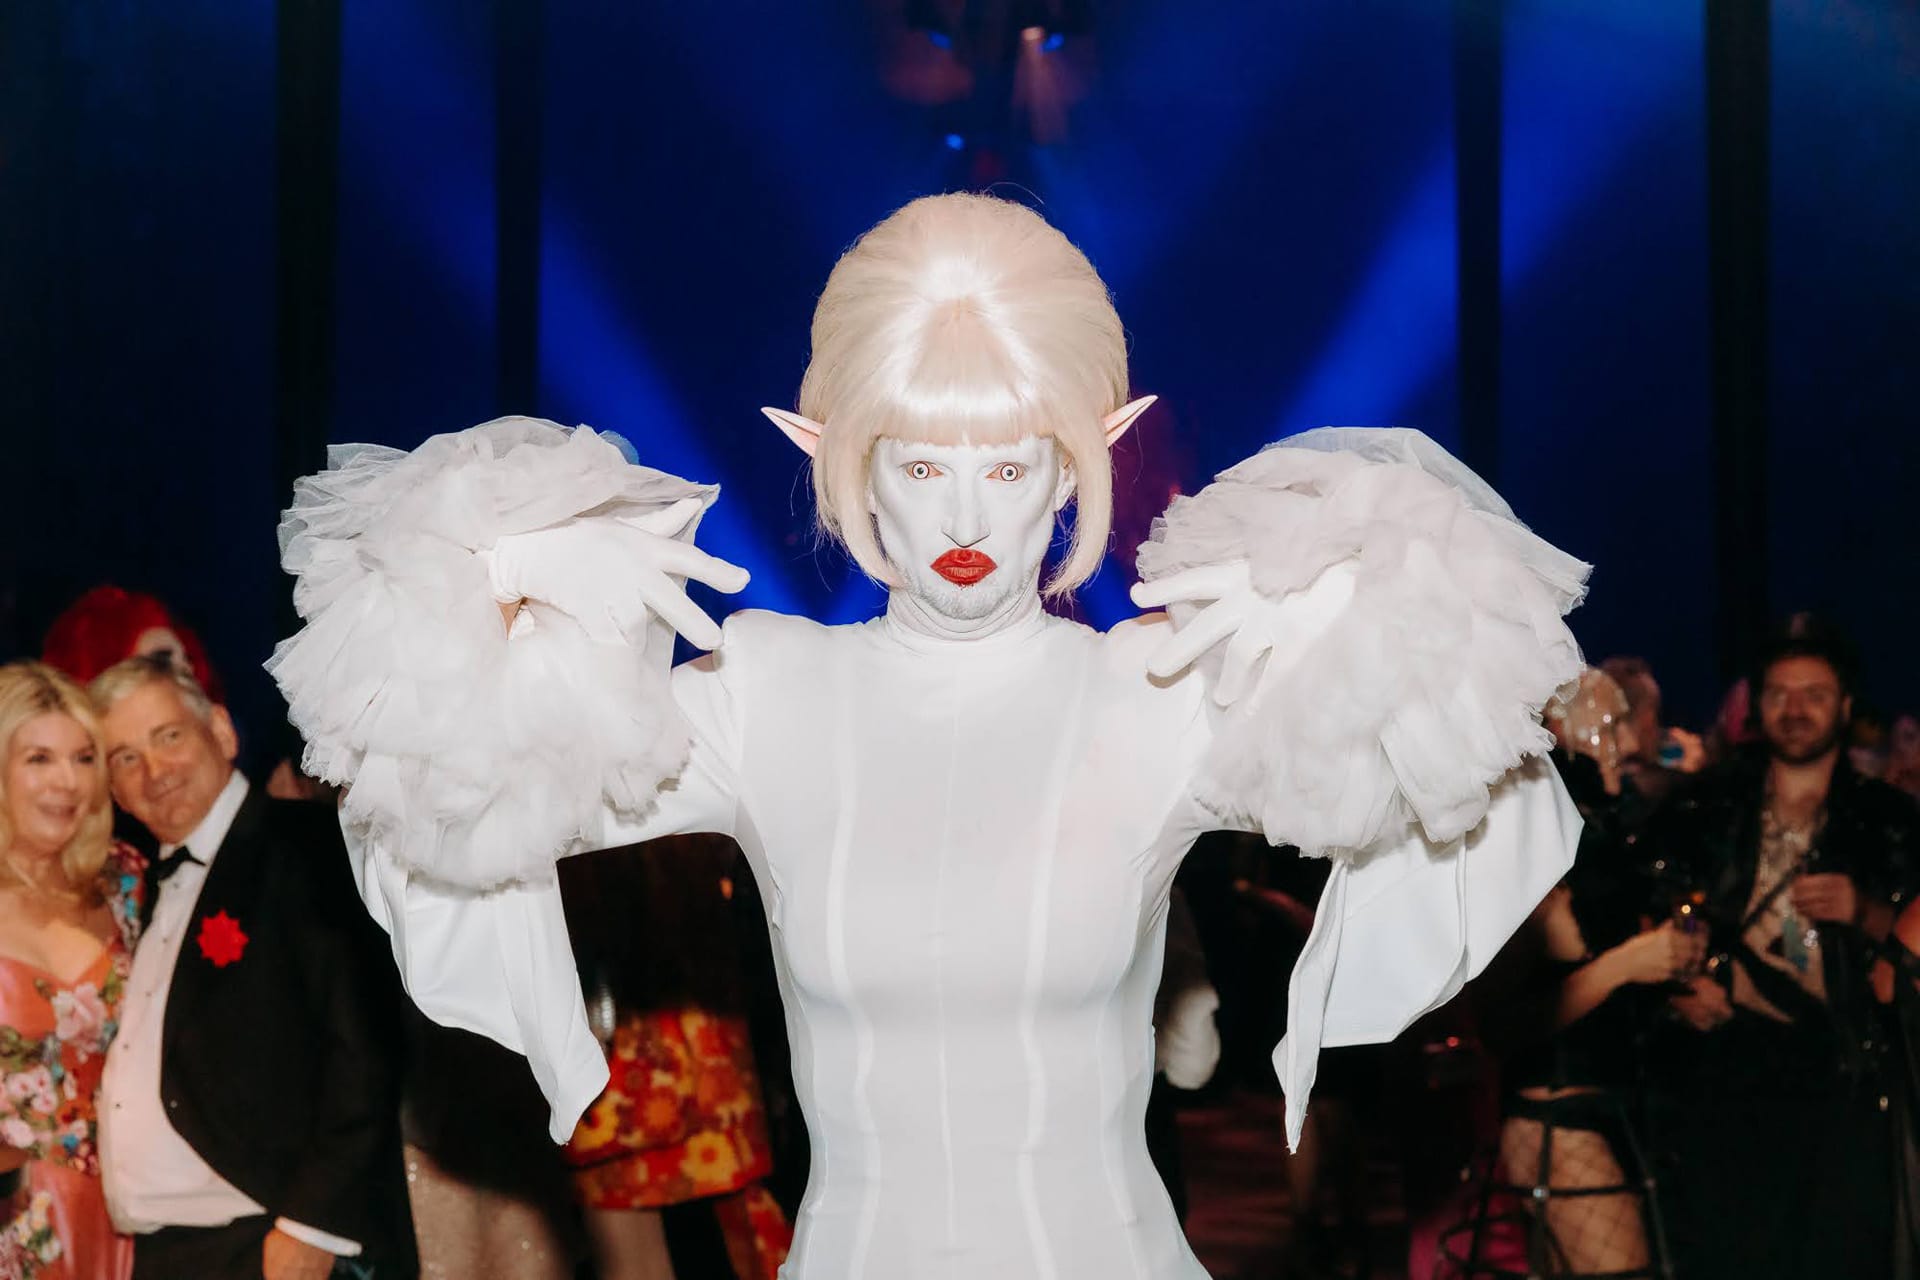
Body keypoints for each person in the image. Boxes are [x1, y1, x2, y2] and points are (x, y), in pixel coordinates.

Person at [269, 193, 1587, 1278]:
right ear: (849, 466)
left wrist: (1375, 599)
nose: (967, 506)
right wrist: (488, 583)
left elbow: (1477, 783)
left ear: (1081, 467)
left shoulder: (1162, 688)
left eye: (1011, 463)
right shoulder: (760, 689)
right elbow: (450, 782)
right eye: (919, 461)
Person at [89, 657, 417, 1280]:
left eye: (169, 737)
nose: (153, 772)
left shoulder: (307, 844)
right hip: (165, 1252)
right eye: (125, 758)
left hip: (273, 1245)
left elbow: (368, 1043)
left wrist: (311, 1228)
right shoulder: (140, 890)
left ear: (220, 731)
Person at [1650, 617, 1920, 1280]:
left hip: (1844, 1077)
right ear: (1756, 703)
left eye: (1815, 694)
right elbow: (1646, 918)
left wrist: (1864, 911)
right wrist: (1676, 990)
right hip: (1722, 1076)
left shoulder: (1890, 820)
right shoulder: (1704, 808)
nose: (1795, 710)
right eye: (1779, 693)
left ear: (1846, 707)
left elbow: (1913, 950)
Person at [0, 663, 142, 1280]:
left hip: (130, 1214)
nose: (67, 782)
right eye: (39, 758)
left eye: (84, 758)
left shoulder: (125, 880)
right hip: (14, 1221)